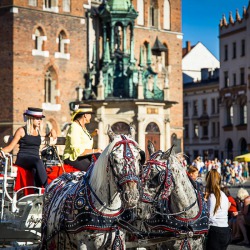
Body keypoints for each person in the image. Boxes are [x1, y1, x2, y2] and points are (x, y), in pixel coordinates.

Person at [0, 107, 56, 188]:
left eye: (40, 118)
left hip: (34, 160)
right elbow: (10, 147)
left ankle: (37, 193)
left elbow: (39, 140)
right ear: (31, 119)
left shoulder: (38, 131)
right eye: (37, 119)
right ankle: (48, 187)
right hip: (23, 158)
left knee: (35, 169)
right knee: (38, 161)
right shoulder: (21, 130)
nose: (39, 120)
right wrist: (1, 152)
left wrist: (52, 131)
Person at [63, 104, 102, 171]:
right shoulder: (74, 127)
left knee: (101, 160)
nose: (91, 117)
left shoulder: (82, 127)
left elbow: (83, 140)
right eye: (90, 115)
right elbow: (77, 151)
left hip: (82, 156)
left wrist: (93, 134)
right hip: (73, 158)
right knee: (94, 169)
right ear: (85, 115)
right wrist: (95, 150)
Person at [205, 169, 231, 250]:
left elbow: (211, 218)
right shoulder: (223, 195)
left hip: (216, 231)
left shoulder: (212, 196)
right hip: (225, 229)